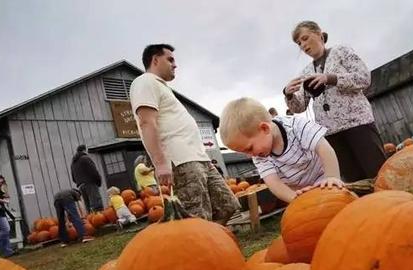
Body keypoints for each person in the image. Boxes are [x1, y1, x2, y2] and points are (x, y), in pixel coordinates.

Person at [130, 44, 240, 224]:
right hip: (180, 160)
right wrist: (160, 163)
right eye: (170, 59)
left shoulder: (162, 87)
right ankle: (198, 249)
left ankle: (213, 244)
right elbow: (146, 122)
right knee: (196, 216)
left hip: (199, 158)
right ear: (155, 60)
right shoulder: (144, 82)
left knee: (227, 205)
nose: (175, 65)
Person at [283, 21, 386, 182]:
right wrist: (288, 94)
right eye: (299, 43)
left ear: (319, 34)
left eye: (305, 38)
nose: (303, 45)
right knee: (354, 183)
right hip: (331, 134)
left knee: (378, 174)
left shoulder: (341, 51)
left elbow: (364, 78)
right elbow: (299, 107)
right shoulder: (306, 72)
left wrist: (330, 78)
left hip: (357, 124)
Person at [220, 97, 344, 203]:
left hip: (322, 178)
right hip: (299, 191)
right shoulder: (259, 156)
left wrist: (332, 177)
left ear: (264, 128)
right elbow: (274, 183)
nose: (249, 155)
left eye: (249, 148)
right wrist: (295, 198)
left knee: (335, 207)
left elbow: (324, 149)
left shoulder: (296, 127)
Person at [71, 144, 103, 212]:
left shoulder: (73, 163)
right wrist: (98, 181)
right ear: (84, 150)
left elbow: (73, 178)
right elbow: (93, 171)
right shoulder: (85, 158)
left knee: (87, 204)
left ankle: (91, 219)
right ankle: (100, 219)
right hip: (90, 183)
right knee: (96, 203)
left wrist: (79, 182)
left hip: (81, 186)